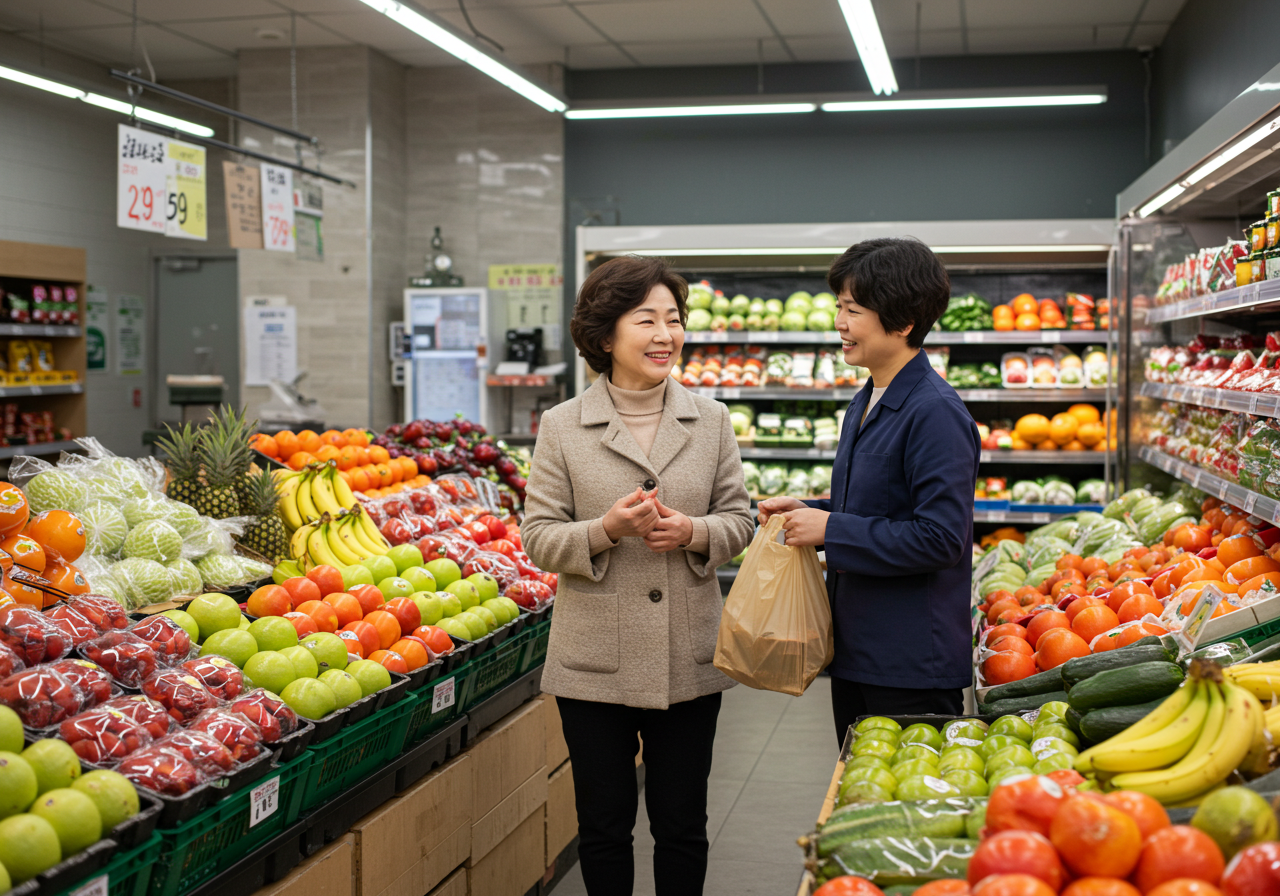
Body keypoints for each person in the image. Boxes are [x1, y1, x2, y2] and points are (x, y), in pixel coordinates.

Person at [521, 255, 754, 896]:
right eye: (646, 319)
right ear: (604, 336)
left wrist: (695, 532)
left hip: (689, 652)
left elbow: (740, 518)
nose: (665, 334)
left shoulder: (711, 420)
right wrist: (604, 531)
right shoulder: (562, 426)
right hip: (594, 661)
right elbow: (538, 537)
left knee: (682, 823)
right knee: (603, 826)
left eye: (673, 319)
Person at [758, 238, 980, 745]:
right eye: (839, 306)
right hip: (860, 650)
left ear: (903, 322)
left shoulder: (935, 413)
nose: (839, 322)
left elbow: (941, 538)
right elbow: (878, 508)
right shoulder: (866, 399)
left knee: (900, 809)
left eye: (853, 309)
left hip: (909, 665)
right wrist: (811, 513)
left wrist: (831, 529)